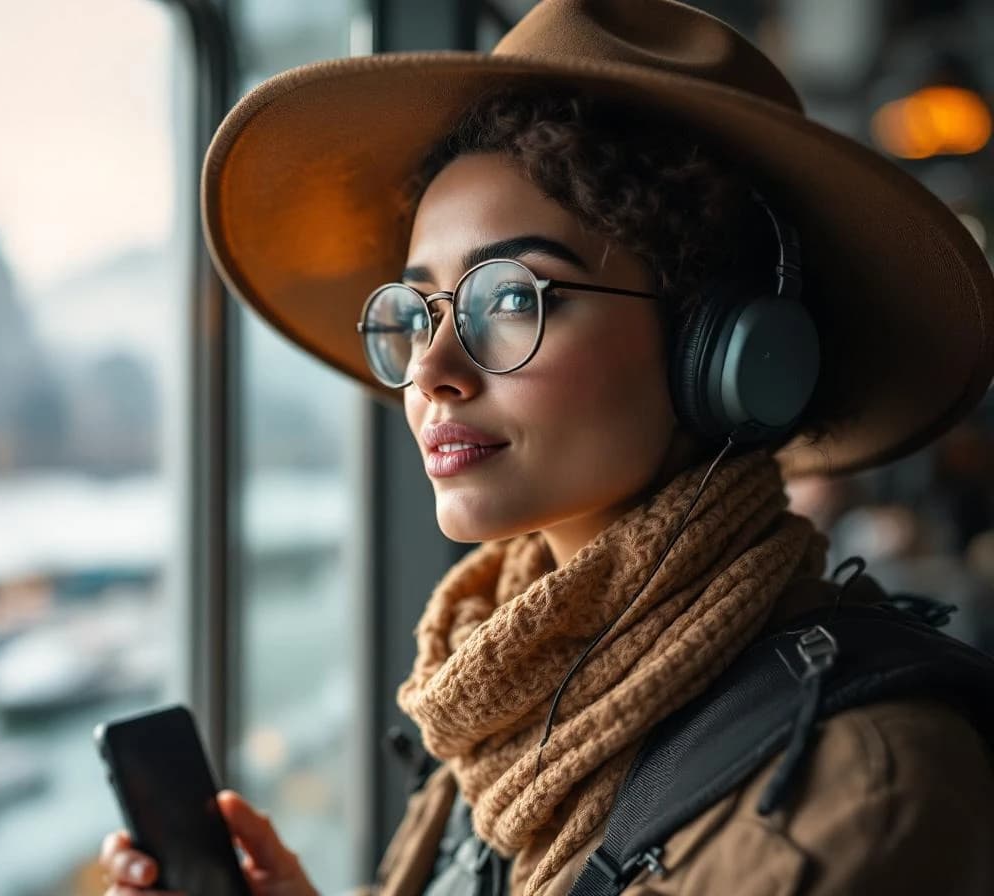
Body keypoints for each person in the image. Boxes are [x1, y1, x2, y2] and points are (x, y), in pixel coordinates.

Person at [100, 0, 994, 894]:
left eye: (515, 299)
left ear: (723, 354)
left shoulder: (863, 788)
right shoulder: (500, 704)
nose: (433, 370)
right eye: (417, 313)